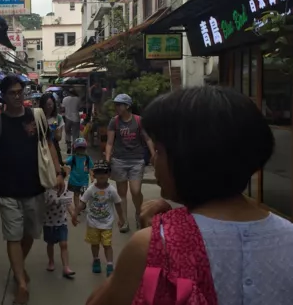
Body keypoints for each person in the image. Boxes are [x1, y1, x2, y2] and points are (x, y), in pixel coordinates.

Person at [86, 87, 293, 305]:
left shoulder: (150, 244)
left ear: (186, 158)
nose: (154, 161)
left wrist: (160, 235)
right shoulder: (288, 236)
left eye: (159, 151)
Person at [0, 75, 65, 305]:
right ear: (3, 96)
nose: (18, 96)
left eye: (20, 92)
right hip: (7, 188)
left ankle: (17, 265)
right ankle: (22, 283)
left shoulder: (36, 117)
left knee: (30, 234)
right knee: (13, 236)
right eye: (12, 93)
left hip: (35, 187)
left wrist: (58, 172)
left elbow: (49, 145)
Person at [105, 93, 155, 233]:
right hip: (119, 160)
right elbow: (109, 143)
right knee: (122, 193)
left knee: (135, 190)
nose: (116, 107)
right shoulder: (114, 122)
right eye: (116, 104)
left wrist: (153, 155)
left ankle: (139, 214)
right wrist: (107, 159)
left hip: (137, 160)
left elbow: (148, 139)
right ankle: (124, 221)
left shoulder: (139, 121)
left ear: (127, 106)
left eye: (119, 104)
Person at [72, 160, 124, 277]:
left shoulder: (111, 190)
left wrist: (122, 218)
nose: (101, 175)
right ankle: (96, 259)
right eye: (98, 172)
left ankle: (110, 264)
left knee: (107, 244)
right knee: (94, 244)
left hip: (107, 223)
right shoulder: (91, 189)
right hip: (93, 222)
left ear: (109, 174)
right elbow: (82, 203)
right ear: (94, 174)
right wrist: (75, 214)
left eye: (104, 172)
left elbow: (118, 204)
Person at [43, 173, 75, 278]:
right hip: (49, 222)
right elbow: (42, 205)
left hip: (62, 221)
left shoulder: (65, 188)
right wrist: (52, 202)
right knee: (50, 243)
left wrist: (73, 215)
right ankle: (51, 261)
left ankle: (66, 266)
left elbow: (68, 203)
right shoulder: (46, 189)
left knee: (64, 244)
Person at [65, 138, 93, 210]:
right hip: (74, 181)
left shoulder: (87, 158)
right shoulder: (73, 158)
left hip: (84, 182)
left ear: (85, 149)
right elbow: (65, 162)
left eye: (82, 148)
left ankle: (82, 205)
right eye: (79, 148)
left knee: (84, 195)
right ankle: (77, 207)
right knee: (76, 194)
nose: (81, 150)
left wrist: (92, 176)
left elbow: (90, 168)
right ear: (76, 149)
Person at [40, 93, 64, 165]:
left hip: (54, 148)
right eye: (46, 105)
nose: (49, 107)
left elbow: (59, 138)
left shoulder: (58, 118)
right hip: (41, 148)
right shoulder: (38, 117)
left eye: (50, 104)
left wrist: (56, 132)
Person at [61, 88, 81, 154]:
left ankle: (69, 147)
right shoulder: (78, 99)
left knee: (68, 133)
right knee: (75, 134)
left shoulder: (65, 99)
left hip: (67, 118)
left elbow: (63, 109)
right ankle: (75, 148)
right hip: (76, 119)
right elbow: (80, 108)